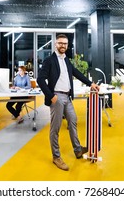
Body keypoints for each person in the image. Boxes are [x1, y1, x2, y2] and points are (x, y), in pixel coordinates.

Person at [37, 34, 99, 171]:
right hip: (57, 98)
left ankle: (77, 150)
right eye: (60, 43)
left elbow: (76, 73)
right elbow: (40, 79)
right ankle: (56, 157)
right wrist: (51, 96)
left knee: (73, 121)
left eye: (65, 43)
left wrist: (91, 84)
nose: (63, 46)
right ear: (55, 44)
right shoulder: (49, 60)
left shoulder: (66, 60)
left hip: (67, 97)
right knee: (56, 128)